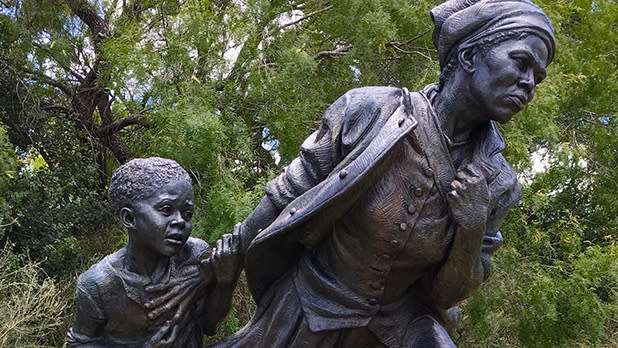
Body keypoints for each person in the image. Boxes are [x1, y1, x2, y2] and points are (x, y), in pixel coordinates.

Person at [209, 0, 556, 347]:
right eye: (521, 62)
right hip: (310, 305)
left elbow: (449, 295)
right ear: (469, 56)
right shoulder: (369, 111)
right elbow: (287, 194)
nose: (529, 84)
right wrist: (218, 271)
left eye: (537, 77)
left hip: (399, 327)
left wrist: (472, 227)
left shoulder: (500, 182)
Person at [67, 157, 240, 348]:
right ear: (129, 217)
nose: (180, 222)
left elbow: (209, 325)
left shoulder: (196, 256)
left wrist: (225, 282)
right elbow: (80, 342)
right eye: (166, 210)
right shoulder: (98, 284)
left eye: (187, 213)